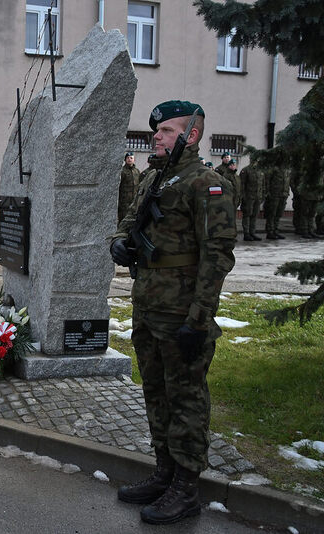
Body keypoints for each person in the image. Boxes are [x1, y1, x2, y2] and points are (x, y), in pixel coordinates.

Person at [110, 101, 236, 525]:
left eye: (165, 131)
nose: (156, 137)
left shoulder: (207, 184)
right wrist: (120, 241)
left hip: (182, 312)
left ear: (191, 135)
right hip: (149, 306)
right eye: (156, 131)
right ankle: (163, 472)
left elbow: (216, 257)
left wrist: (198, 320)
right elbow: (129, 220)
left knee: (186, 399)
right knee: (156, 392)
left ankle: (186, 487)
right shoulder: (154, 177)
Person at [263, 156, 291, 240]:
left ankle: (275, 230)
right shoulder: (273, 169)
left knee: (279, 214)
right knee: (272, 213)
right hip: (274, 194)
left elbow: (287, 181)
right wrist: (268, 192)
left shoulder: (287, 170)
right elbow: (267, 181)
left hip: (283, 194)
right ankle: (270, 231)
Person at [239, 158, 265, 241]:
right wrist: (243, 197)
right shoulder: (246, 170)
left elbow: (263, 184)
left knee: (254, 215)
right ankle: (246, 233)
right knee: (247, 215)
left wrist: (263, 195)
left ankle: (252, 233)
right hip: (249, 197)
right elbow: (242, 185)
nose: (255, 162)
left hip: (257, 197)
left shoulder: (260, 171)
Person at [118, 152, 140, 224]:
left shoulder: (136, 171)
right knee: (123, 219)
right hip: (124, 201)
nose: (129, 159)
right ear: (125, 160)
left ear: (134, 160)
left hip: (134, 200)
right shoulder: (122, 171)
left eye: (131, 158)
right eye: (128, 158)